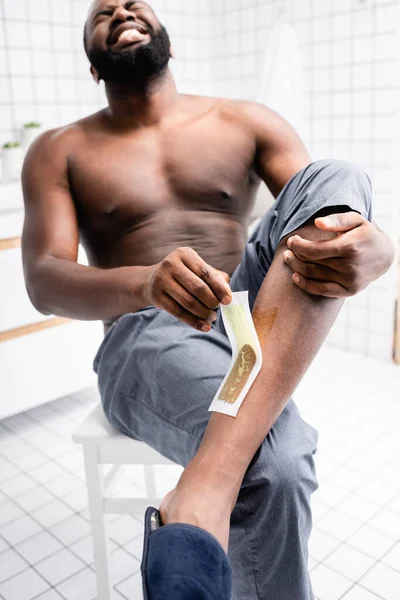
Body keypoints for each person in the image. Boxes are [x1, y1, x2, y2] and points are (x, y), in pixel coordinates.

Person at [21, 2, 394, 598]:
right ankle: (220, 482)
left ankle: (203, 490)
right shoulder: (60, 149)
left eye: (131, 1)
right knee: (276, 462)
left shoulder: (244, 120)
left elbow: (315, 214)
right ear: (92, 66)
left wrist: (371, 248)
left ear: (167, 36)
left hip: (249, 311)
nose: (119, 8)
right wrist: (144, 283)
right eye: (100, 12)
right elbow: (43, 281)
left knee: (335, 176)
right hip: (143, 328)